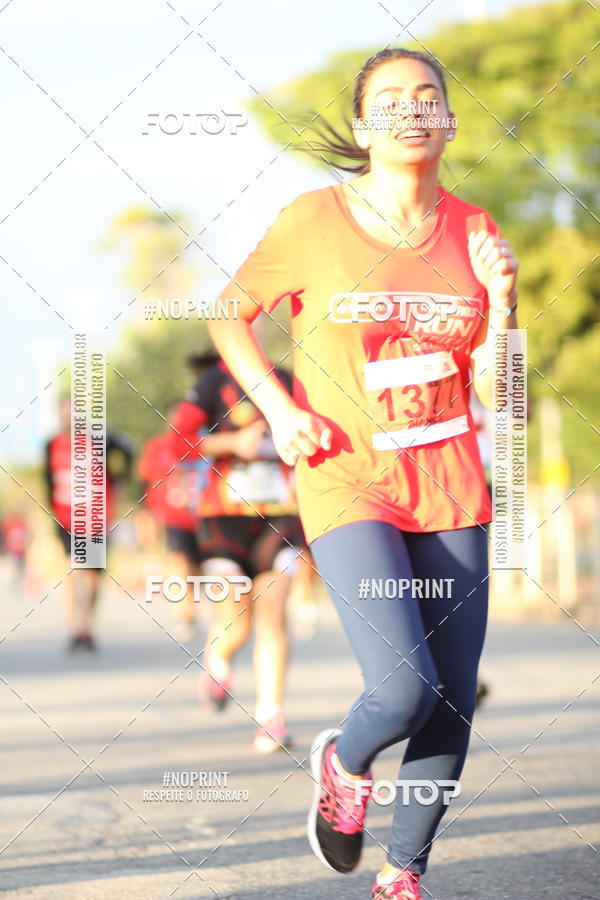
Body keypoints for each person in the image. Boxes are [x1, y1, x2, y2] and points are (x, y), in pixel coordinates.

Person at [200, 48, 519, 899]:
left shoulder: (478, 231)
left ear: (449, 119)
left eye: (429, 97)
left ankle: (402, 873)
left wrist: (506, 312)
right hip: (347, 476)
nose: (413, 110)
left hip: (450, 477)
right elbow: (229, 315)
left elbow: (499, 392)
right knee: (404, 688)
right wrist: (276, 405)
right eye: (391, 100)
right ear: (362, 125)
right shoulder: (314, 219)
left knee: (451, 699)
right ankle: (342, 763)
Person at [170, 355, 307, 754]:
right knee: (238, 623)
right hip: (223, 519)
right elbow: (178, 441)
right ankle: (217, 662)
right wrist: (232, 443)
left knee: (273, 614)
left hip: (277, 516)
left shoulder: (286, 379)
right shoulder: (213, 382)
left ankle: (271, 716)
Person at [44, 395, 133, 651]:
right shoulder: (51, 444)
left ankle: (88, 625)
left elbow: (128, 451)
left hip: (96, 516)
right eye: (66, 411)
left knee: (93, 577)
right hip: (65, 516)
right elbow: (48, 480)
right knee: (73, 571)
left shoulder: (100, 438)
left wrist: (118, 480)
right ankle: (76, 628)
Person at [138, 413, 207, 641]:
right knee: (180, 561)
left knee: (197, 568)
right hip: (174, 516)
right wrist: (147, 515)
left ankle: (198, 609)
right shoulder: (158, 447)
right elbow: (146, 481)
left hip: (206, 515)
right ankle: (185, 615)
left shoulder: (209, 442)